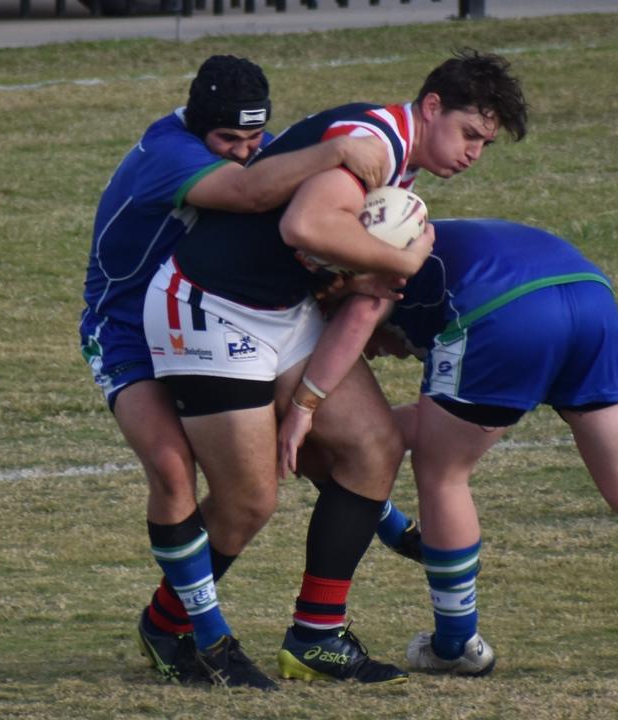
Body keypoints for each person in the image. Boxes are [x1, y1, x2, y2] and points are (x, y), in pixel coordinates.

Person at [144, 50, 528, 686]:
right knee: (248, 501)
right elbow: (306, 223)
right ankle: (166, 626)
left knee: (374, 445)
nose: (473, 153)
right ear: (431, 107)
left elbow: (346, 287)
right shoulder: (372, 141)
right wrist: (400, 264)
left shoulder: (400, 171)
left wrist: (307, 407)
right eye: (469, 134)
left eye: (485, 144)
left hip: (281, 313)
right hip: (211, 309)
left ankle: (316, 637)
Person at [282, 218, 618, 677]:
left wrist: (306, 406)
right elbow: (400, 431)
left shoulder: (359, 280)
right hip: (589, 296)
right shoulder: (423, 242)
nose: (376, 355)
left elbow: (361, 317)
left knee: (443, 474)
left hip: (503, 308)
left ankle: (454, 644)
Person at [81, 54, 397, 689]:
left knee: (280, 475)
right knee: (176, 471)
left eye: (255, 139)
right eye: (229, 140)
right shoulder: (166, 152)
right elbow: (251, 193)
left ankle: (181, 623)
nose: (246, 152)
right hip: (127, 331)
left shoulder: (259, 150)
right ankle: (208, 636)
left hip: (221, 321)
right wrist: (337, 149)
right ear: (198, 123)